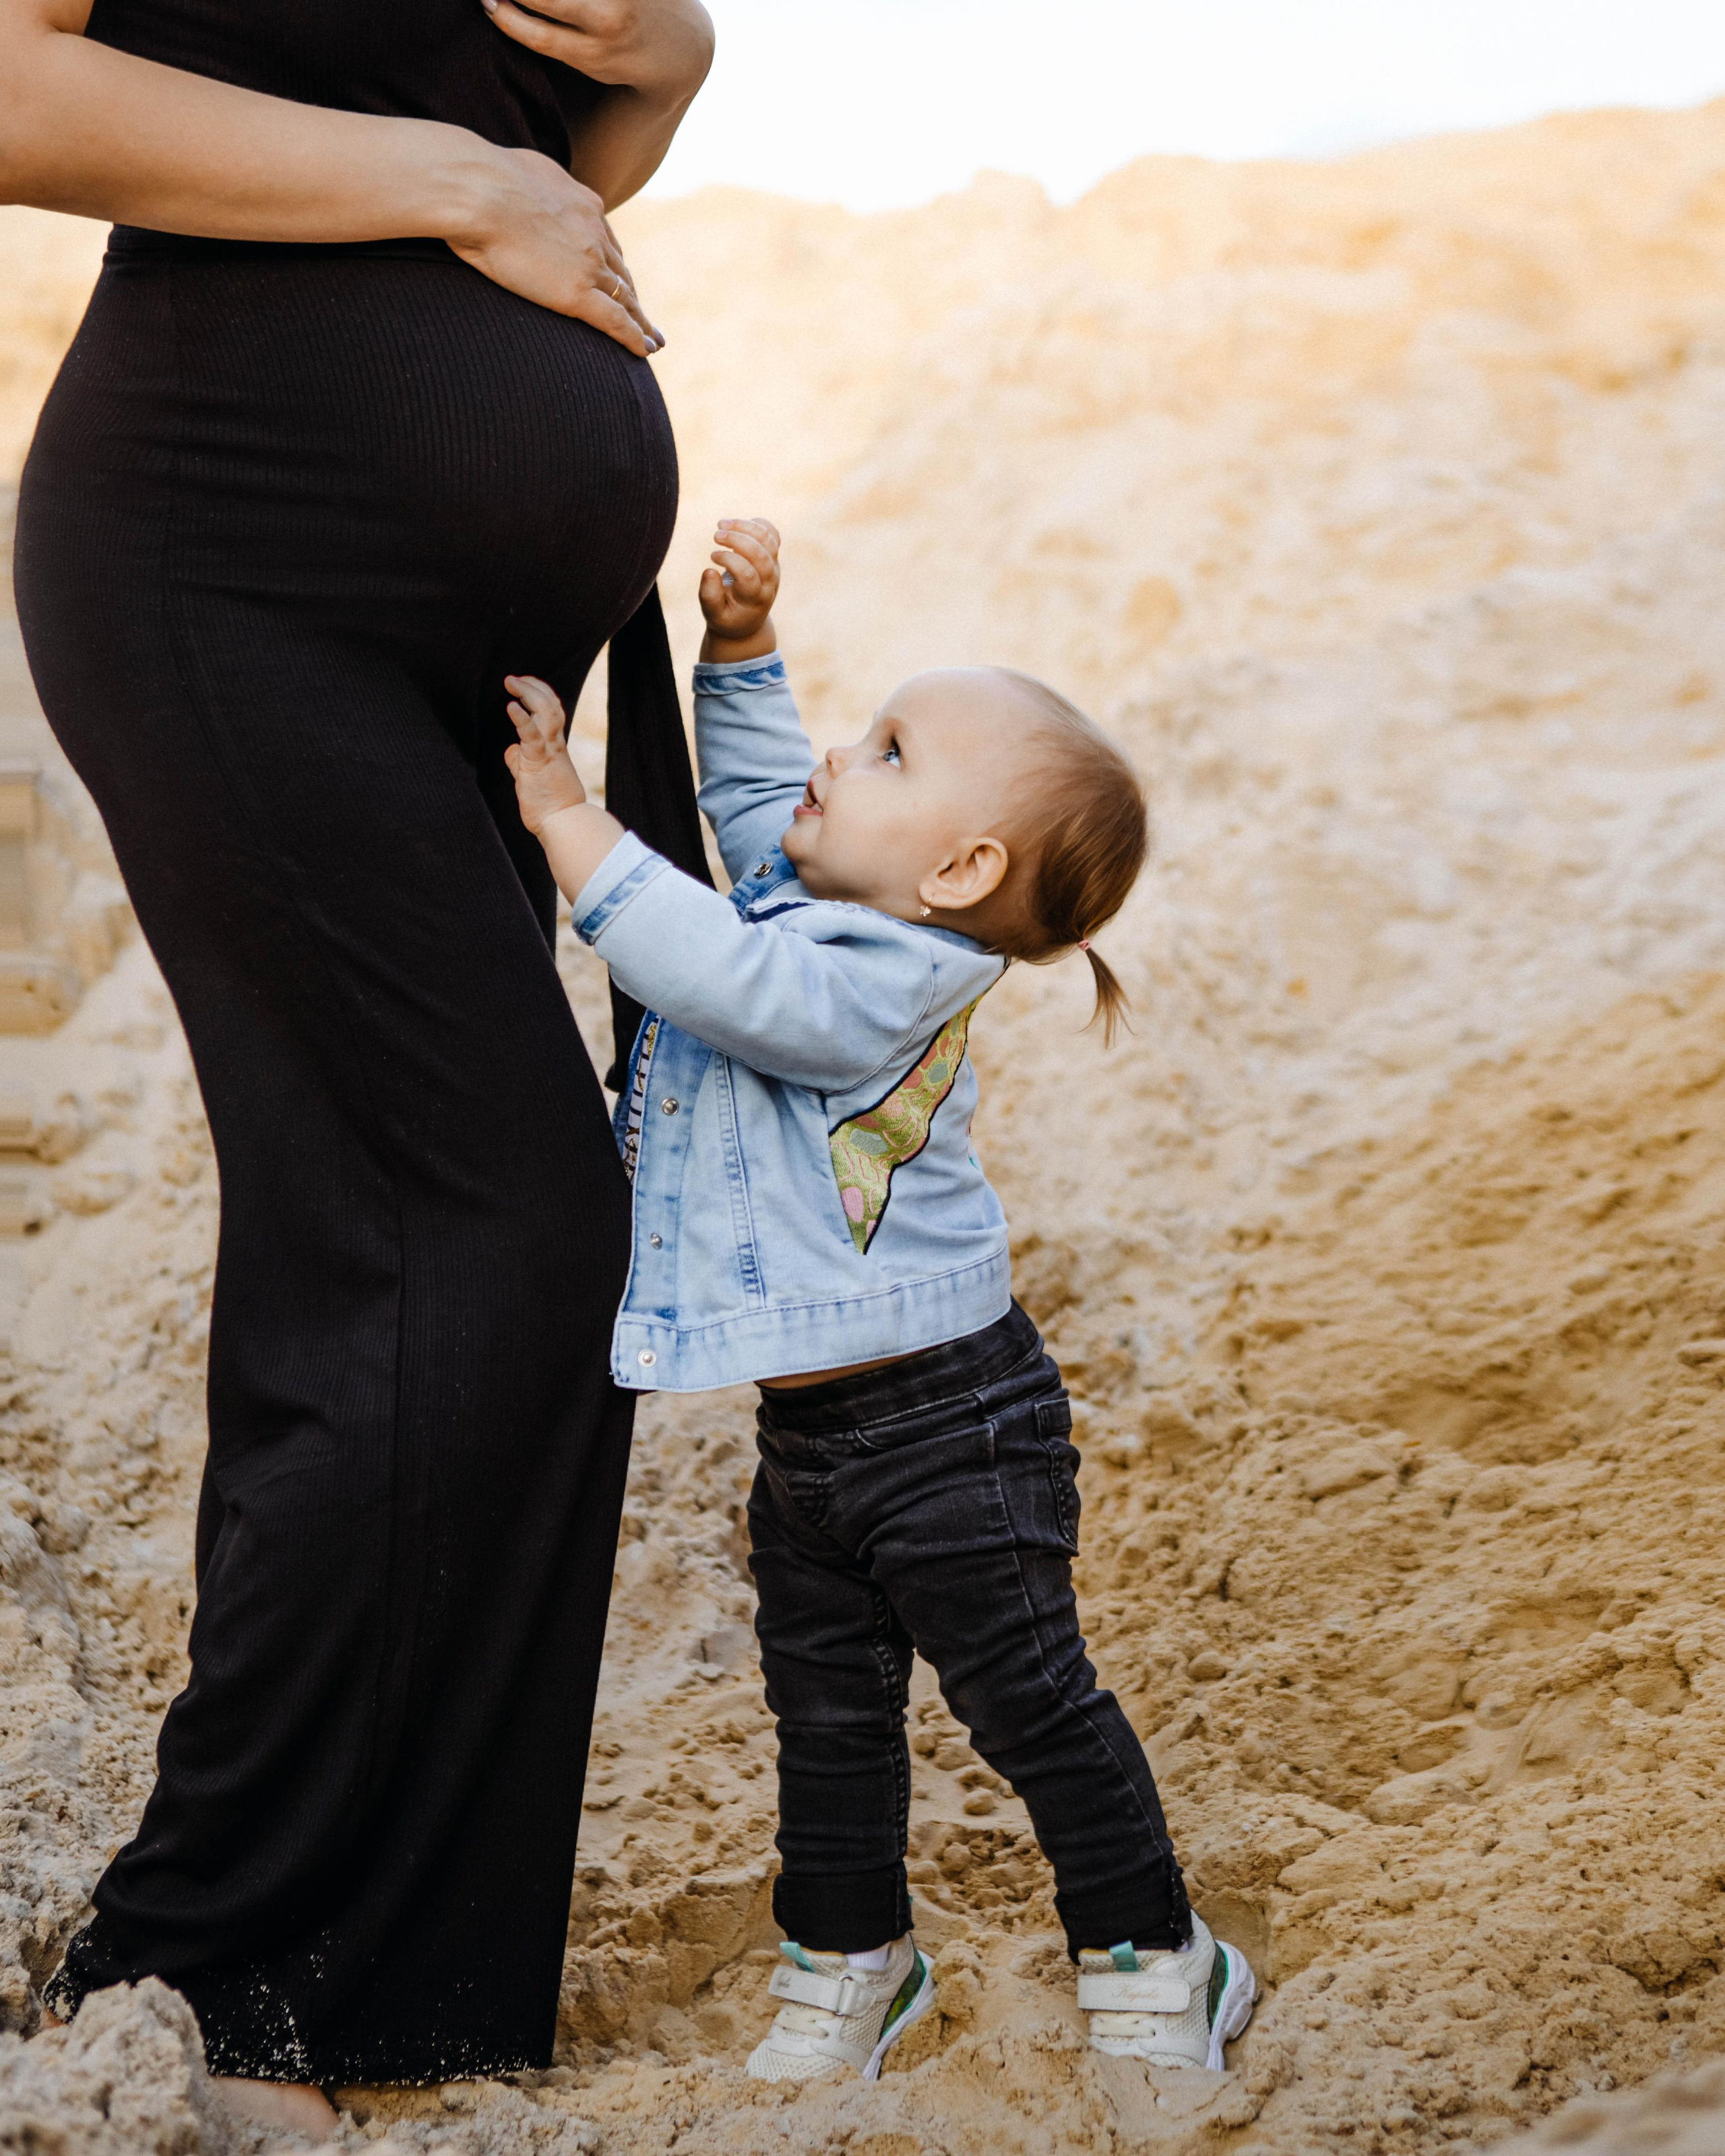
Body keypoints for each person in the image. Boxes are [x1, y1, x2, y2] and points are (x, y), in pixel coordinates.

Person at [3, 0, 714, 2134]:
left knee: (438, 1236)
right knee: (469, 1222)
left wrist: (658, 77)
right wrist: (460, 181)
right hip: (236, 560)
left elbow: (543, 170)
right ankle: (217, 1977)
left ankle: (378, 1991)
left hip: (451, 628)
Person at [503, 518, 1260, 2087]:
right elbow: (766, 795)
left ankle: (1155, 1954)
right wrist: (739, 652)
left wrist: (573, 824)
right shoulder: (854, 895)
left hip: (953, 1427)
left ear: (961, 873)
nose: (842, 755)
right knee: (825, 1718)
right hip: (818, 1439)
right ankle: (854, 1959)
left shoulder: (880, 979)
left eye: (892, 749)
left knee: (1028, 1700)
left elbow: (719, 975)